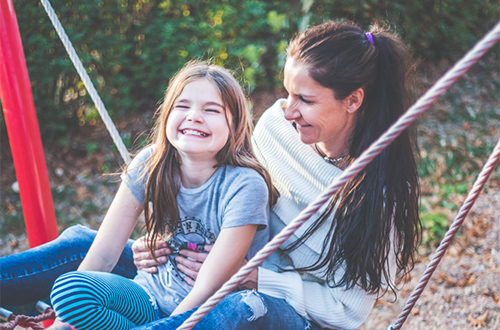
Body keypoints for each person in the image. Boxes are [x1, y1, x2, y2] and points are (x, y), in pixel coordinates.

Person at [0, 20, 421, 330]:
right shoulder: (279, 128)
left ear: (353, 100)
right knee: (80, 245)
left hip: (276, 306)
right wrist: (156, 240)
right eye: (287, 92)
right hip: (203, 265)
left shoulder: (379, 194)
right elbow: (220, 182)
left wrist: (255, 276)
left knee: (235, 306)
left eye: (305, 100)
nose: (286, 109)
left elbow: (346, 311)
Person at [46, 60, 277, 330]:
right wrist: (59, 326)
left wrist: (167, 327)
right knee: (71, 289)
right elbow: (103, 256)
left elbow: (208, 287)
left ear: (235, 125)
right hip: (149, 299)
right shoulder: (150, 163)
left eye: (212, 110)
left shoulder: (245, 185)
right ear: (166, 114)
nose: (193, 116)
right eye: (182, 106)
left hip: (209, 316)